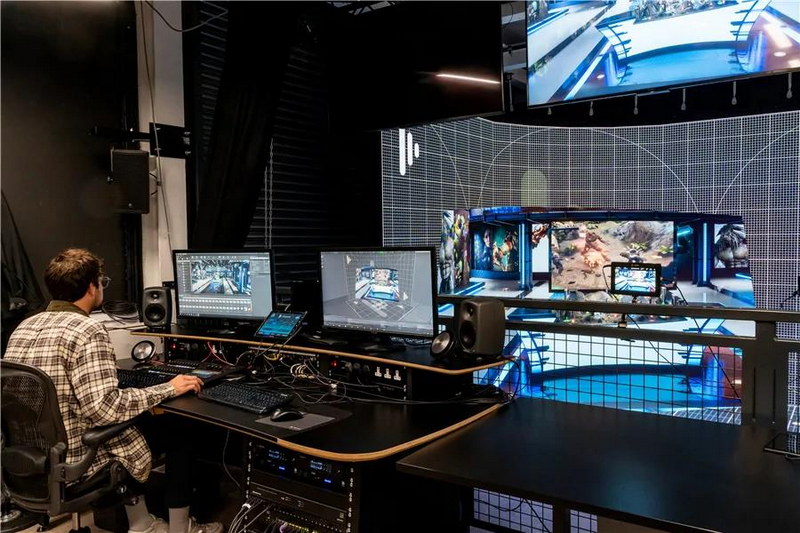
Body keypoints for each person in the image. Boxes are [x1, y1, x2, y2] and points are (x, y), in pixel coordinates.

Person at [3, 248, 223, 533]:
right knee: (179, 430)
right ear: (91, 287)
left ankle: (142, 523)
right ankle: (182, 528)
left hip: (34, 458)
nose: (102, 287)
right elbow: (105, 409)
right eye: (101, 281)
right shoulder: (87, 330)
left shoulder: (25, 326)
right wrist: (168, 387)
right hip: (77, 457)